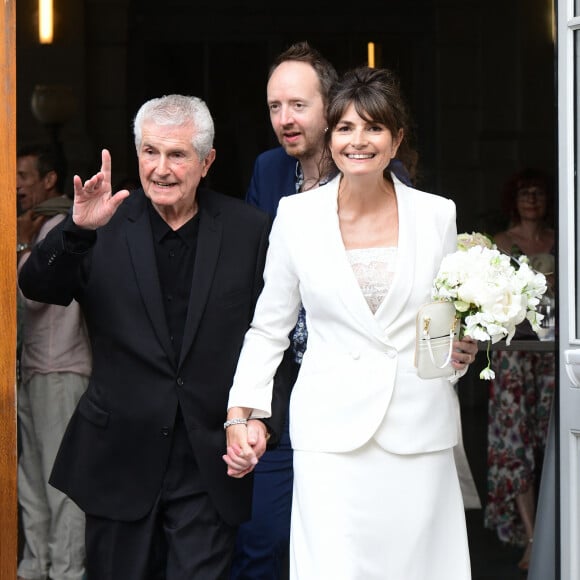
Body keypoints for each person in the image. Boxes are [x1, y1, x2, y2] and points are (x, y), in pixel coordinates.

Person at [223, 66, 478, 580]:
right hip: (330, 436)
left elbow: (443, 320)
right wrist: (240, 413)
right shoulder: (295, 217)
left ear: (396, 139)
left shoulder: (437, 215)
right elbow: (269, 327)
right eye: (345, 128)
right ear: (330, 136)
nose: (358, 141)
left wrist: (461, 353)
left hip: (418, 431)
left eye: (374, 128)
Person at [18, 94, 281, 579]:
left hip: (209, 460)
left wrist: (261, 418)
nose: (161, 168)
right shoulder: (102, 221)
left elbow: (274, 335)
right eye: (150, 152)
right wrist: (75, 231)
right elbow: (37, 285)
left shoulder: (251, 231)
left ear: (207, 161)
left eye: (177, 154)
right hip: (118, 456)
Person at [230, 40, 338, 580]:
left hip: (346, 385)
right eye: (275, 107)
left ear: (330, 105)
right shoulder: (269, 170)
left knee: (339, 537)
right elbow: (255, 275)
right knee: (262, 535)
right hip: (280, 383)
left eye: (298, 105)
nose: (285, 119)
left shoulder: (371, 170)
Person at [16, 142, 90, 580]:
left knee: (59, 484)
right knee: (30, 482)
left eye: (24, 176)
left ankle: (64, 571)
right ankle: (33, 566)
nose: (17, 185)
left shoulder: (61, 224)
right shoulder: (35, 223)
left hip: (61, 368)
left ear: (48, 180)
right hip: (34, 369)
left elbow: (29, 295)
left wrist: (22, 237)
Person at [484, 168, 556, 572]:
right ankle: (531, 538)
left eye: (539, 193)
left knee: (554, 439)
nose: (532, 199)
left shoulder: (559, 239)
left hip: (550, 351)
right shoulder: (500, 244)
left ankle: (557, 530)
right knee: (517, 445)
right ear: (514, 199)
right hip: (513, 351)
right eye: (525, 193)